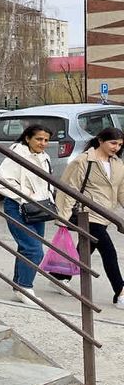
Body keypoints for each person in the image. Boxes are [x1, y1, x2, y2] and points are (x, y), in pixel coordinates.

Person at [56, 126, 124, 306]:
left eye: (119, 144)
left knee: (85, 250)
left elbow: (121, 191)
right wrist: (63, 217)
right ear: (100, 141)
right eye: (113, 143)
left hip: (105, 215)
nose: (116, 147)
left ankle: (59, 276)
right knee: (108, 251)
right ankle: (120, 292)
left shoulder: (117, 163)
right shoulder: (84, 161)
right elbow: (69, 189)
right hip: (87, 214)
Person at [0, 123, 53, 303]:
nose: (43, 143)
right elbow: (2, 180)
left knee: (27, 248)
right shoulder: (17, 155)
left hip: (39, 208)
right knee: (34, 249)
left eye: (46, 140)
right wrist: (24, 196)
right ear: (28, 138)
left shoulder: (44, 157)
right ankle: (25, 288)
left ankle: (19, 287)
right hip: (18, 206)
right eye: (39, 139)